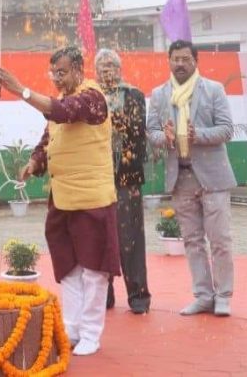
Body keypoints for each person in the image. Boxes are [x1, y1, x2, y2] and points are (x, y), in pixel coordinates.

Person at [0, 46, 120, 357]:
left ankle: (91, 333)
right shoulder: (63, 101)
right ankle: (72, 328)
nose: (57, 79)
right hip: (63, 198)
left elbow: (62, 112)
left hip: (92, 199)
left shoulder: (92, 98)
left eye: (62, 73)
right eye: (54, 74)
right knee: (69, 267)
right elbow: (49, 138)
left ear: (79, 69)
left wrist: (20, 90)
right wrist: (35, 163)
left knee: (93, 270)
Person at [147, 39, 236, 317]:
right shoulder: (160, 95)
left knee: (220, 239)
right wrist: (166, 137)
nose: (181, 64)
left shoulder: (213, 90)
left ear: (195, 61)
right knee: (192, 241)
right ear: (169, 61)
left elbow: (226, 129)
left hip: (213, 176)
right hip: (181, 177)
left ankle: (223, 295)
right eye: (176, 59)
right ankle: (202, 295)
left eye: (186, 59)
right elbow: (151, 132)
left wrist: (200, 135)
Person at [95, 48, 151, 314]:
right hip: (96, 178)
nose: (107, 70)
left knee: (131, 237)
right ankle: (104, 293)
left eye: (112, 65)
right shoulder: (91, 96)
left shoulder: (134, 95)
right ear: (95, 71)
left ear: (120, 69)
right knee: (99, 238)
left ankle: (138, 294)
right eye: (102, 66)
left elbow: (138, 134)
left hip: (126, 178)